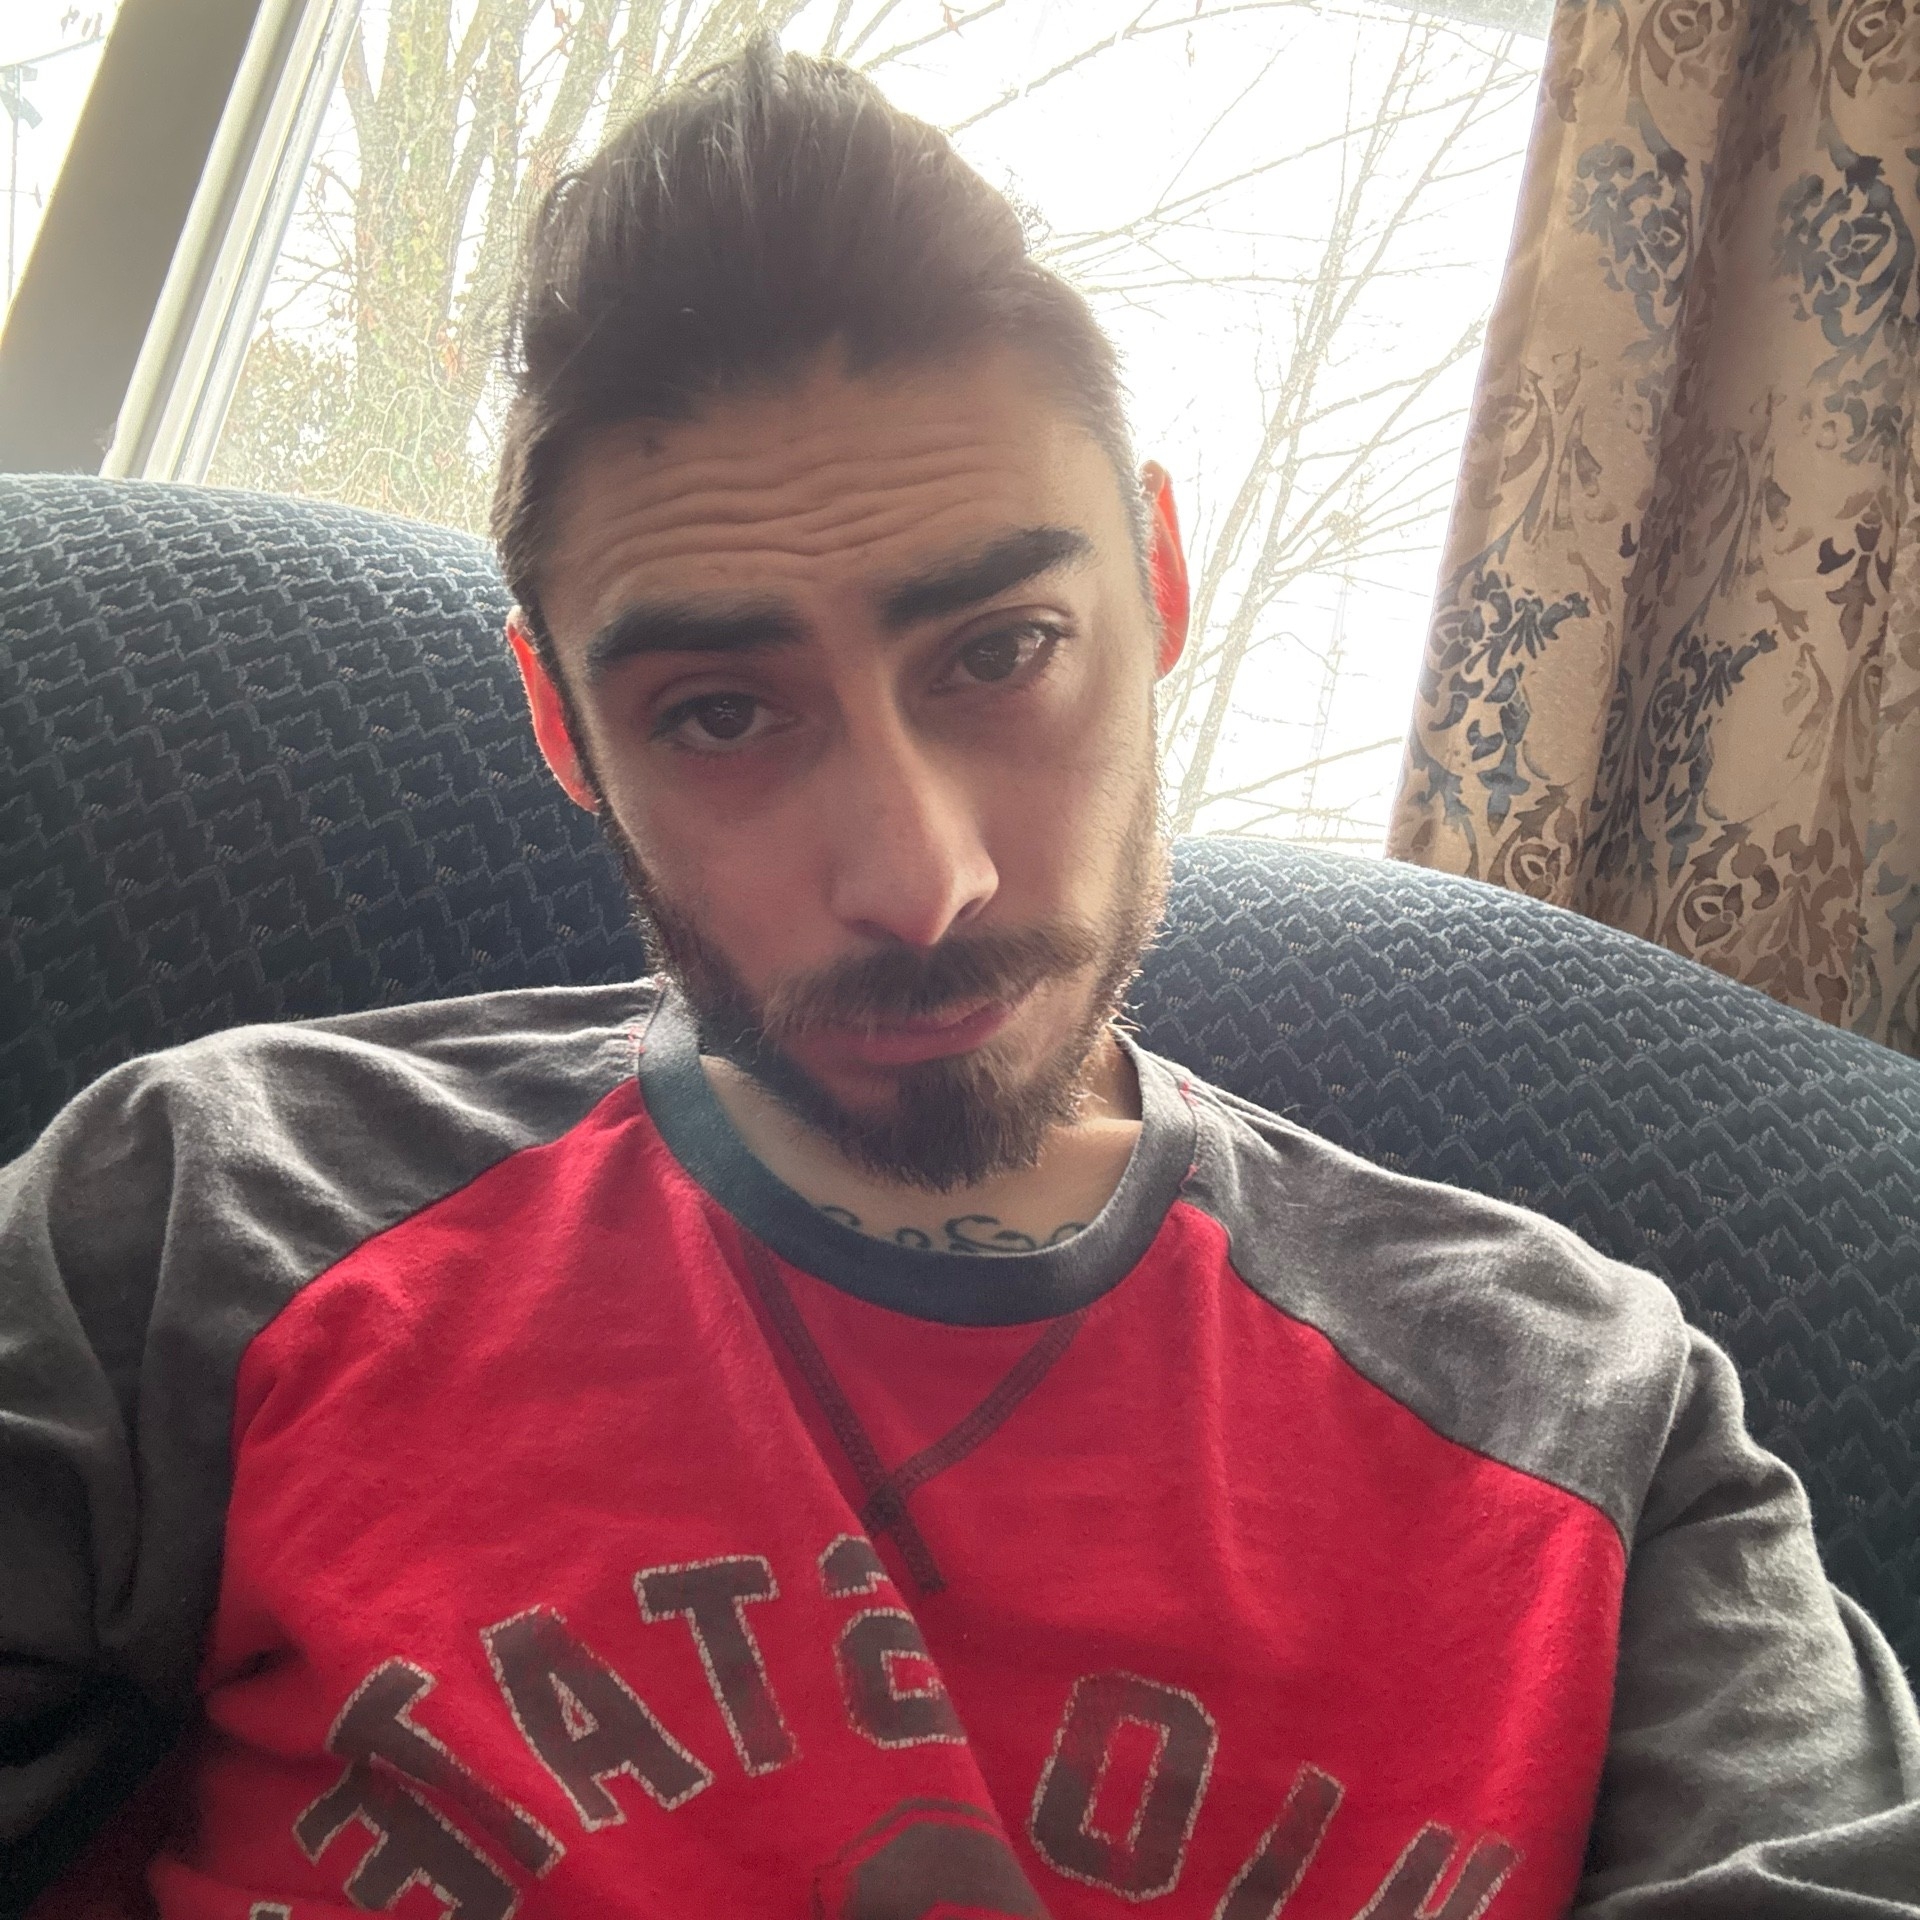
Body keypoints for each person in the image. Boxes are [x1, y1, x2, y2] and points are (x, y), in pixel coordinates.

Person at [4, 38, 1917, 1920]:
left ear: (1158, 582)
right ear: (563, 726)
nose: (921, 882)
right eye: (722, 712)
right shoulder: (205, 1215)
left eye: (1000, 653)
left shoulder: (1599, 1421)